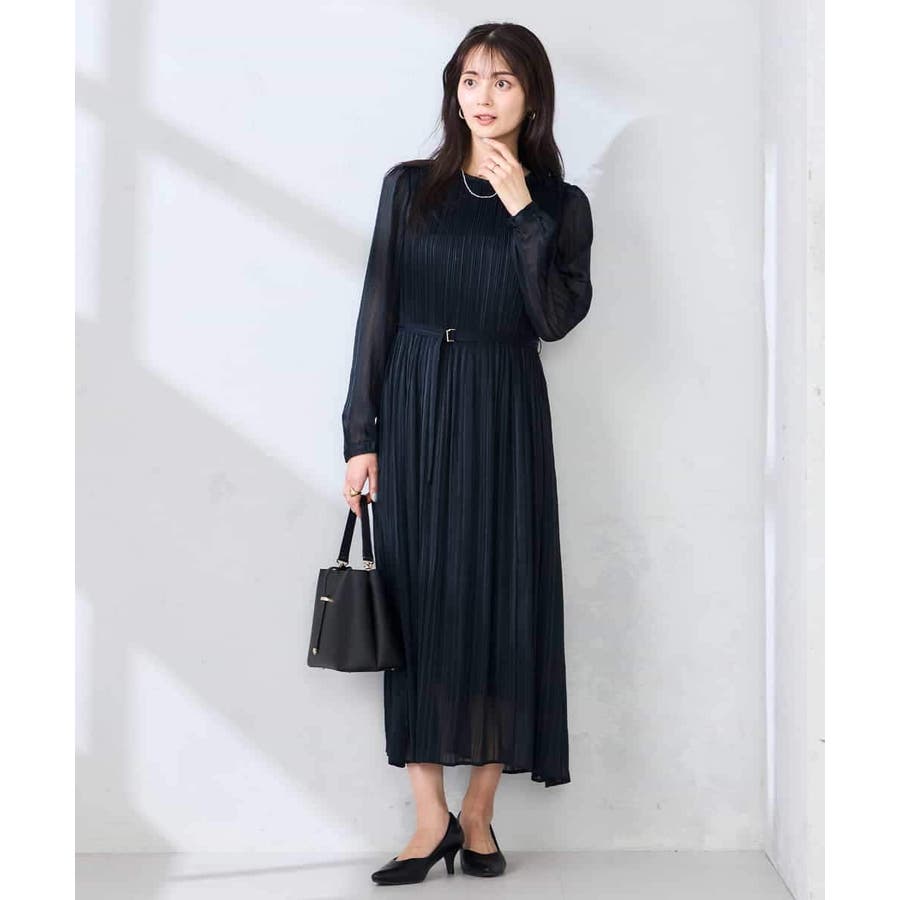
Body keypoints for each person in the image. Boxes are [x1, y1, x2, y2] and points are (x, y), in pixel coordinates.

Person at [340, 22, 593, 885]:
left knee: (502, 599)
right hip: (414, 402)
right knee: (416, 601)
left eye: (504, 81)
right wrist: (360, 437)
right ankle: (428, 819)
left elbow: (552, 319)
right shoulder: (409, 187)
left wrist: (523, 209)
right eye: (472, 79)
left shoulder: (560, 205)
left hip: (503, 403)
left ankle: (478, 814)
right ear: (454, 90)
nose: (484, 96)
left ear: (533, 96)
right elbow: (377, 311)